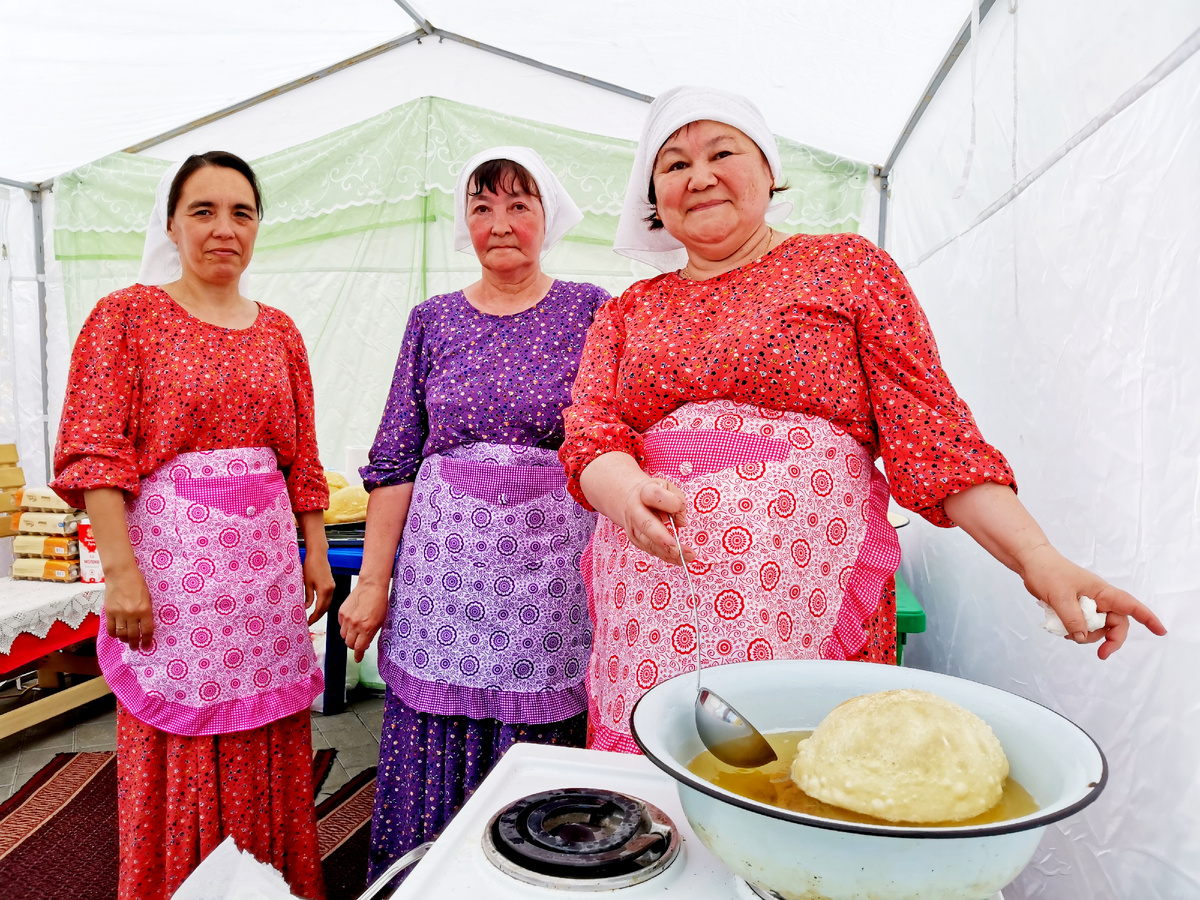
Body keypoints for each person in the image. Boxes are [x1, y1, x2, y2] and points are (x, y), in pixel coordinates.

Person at [559, 86, 1167, 754]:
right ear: (654, 199)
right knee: (661, 799)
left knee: (801, 782)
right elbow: (592, 436)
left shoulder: (846, 269)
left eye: (721, 152)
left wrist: (1038, 558)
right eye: (673, 164)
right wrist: (625, 492)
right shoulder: (627, 312)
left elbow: (937, 441)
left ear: (768, 170)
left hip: (806, 599)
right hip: (653, 608)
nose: (699, 176)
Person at [51, 152, 333, 899]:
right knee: (181, 740)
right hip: (174, 583)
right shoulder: (128, 316)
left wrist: (315, 552)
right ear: (171, 224)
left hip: (263, 585)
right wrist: (120, 574)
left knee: (266, 735)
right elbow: (95, 454)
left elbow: (302, 456)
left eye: (241, 212)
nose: (223, 229)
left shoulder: (280, 332)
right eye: (203, 211)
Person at [337, 147, 609, 879]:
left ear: (547, 217)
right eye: (482, 206)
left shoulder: (591, 311)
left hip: (547, 577)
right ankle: (427, 880)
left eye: (519, 205)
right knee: (436, 724)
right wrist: (372, 583)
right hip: (444, 577)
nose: (500, 223)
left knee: (540, 730)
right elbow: (394, 462)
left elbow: (614, 439)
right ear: (465, 222)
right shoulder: (433, 321)